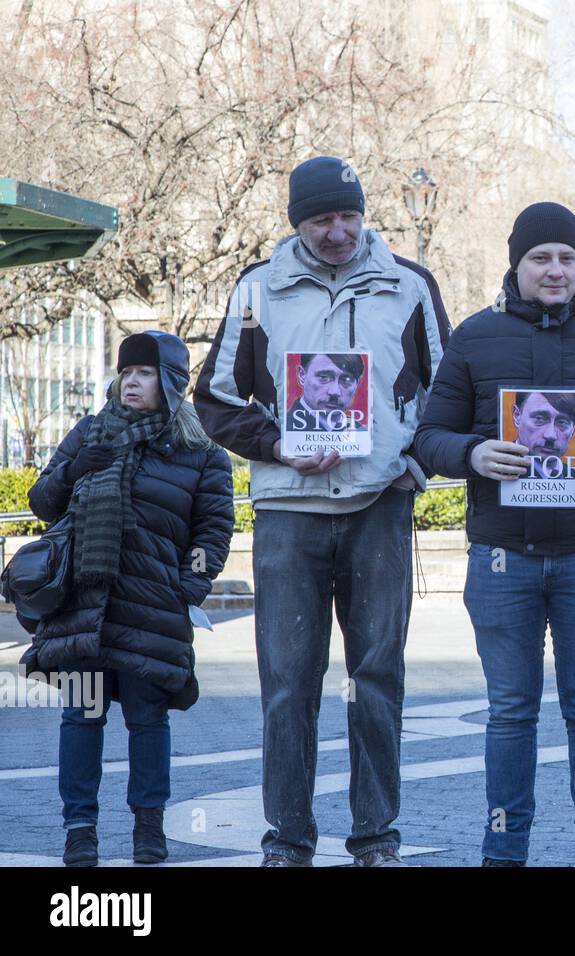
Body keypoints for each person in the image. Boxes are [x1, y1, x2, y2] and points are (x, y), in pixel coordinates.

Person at [195, 155, 448, 867]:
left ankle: (375, 837)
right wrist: (278, 446)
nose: (338, 232)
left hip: (378, 508)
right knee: (286, 685)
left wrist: (415, 464)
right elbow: (213, 401)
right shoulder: (257, 291)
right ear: (297, 223)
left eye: (348, 216)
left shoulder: (410, 286)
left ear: (363, 214)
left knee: (376, 681)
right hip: (288, 513)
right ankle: (288, 840)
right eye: (321, 220)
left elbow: (449, 389)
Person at [413, 201, 575, 866]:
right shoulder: (474, 337)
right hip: (503, 558)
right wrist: (472, 453)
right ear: (517, 264)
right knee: (510, 711)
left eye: (566, 257)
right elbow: (429, 436)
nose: (555, 269)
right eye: (540, 258)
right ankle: (504, 847)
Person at [20, 331, 234, 867]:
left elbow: (212, 534)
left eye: (144, 373)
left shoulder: (201, 454)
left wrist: (189, 587)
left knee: (147, 720)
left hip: (152, 609)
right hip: (84, 605)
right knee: (82, 718)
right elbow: (42, 503)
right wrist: (75, 467)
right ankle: (80, 831)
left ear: (171, 384)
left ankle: (148, 828)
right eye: (127, 373)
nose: (131, 382)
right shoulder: (91, 432)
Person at [510, 390, 575, 478]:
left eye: (562, 422)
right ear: (517, 416)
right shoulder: (496, 469)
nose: (550, 435)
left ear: (574, 426)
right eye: (539, 419)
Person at [287, 352, 366, 432]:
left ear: (357, 383)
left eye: (346, 380)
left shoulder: (361, 432)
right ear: (302, 375)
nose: (335, 392)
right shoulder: (285, 430)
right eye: (323, 377)